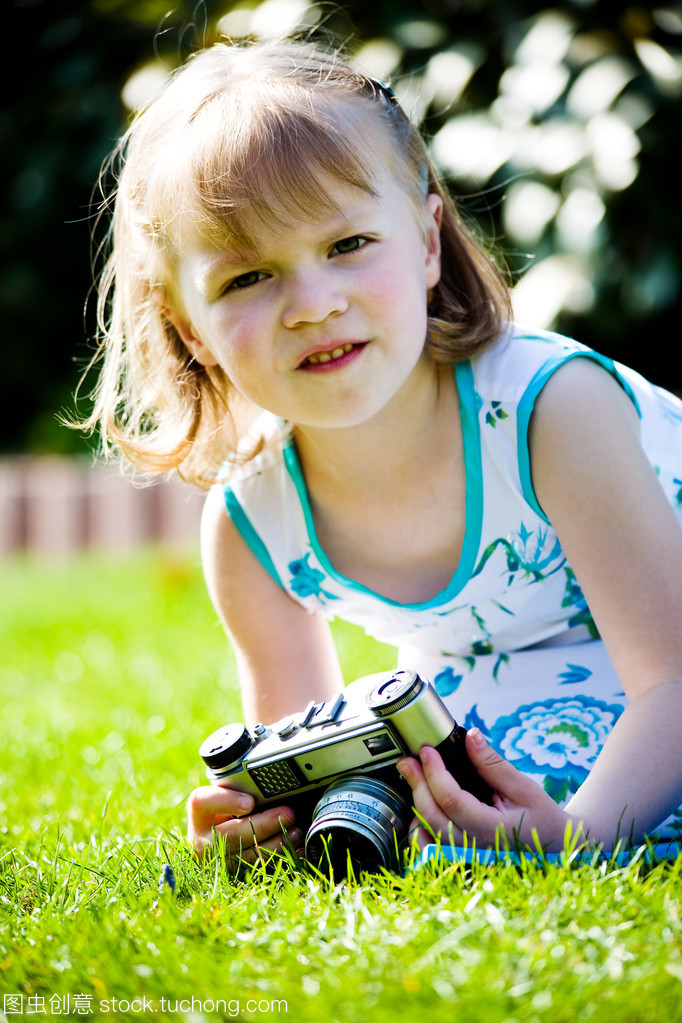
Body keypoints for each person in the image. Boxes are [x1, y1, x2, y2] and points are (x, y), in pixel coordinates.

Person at [85, 37, 682, 867]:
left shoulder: (551, 410)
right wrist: (262, 824)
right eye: (247, 278)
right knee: (431, 790)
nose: (312, 305)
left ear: (429, 242)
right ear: (194, 330)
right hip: (507, 685)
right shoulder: (253, 522)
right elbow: (311, 765)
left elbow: (673, 679)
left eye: (347, 245)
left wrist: (577, 836)